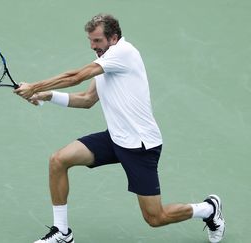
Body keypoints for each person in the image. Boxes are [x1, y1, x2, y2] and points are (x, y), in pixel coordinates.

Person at [14, 14, 225, 243]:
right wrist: (47, 95)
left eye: (97, 41)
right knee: (58, 160)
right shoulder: (106, 60)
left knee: (155, 217)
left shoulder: (123, 54)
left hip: (140, 146)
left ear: (113, 38)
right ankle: (62, 233)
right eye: (91, 41)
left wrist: (34, 85)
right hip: (115, 139)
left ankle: (208, 209)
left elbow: (76, 77)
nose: (93, 46)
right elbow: (86, 99)